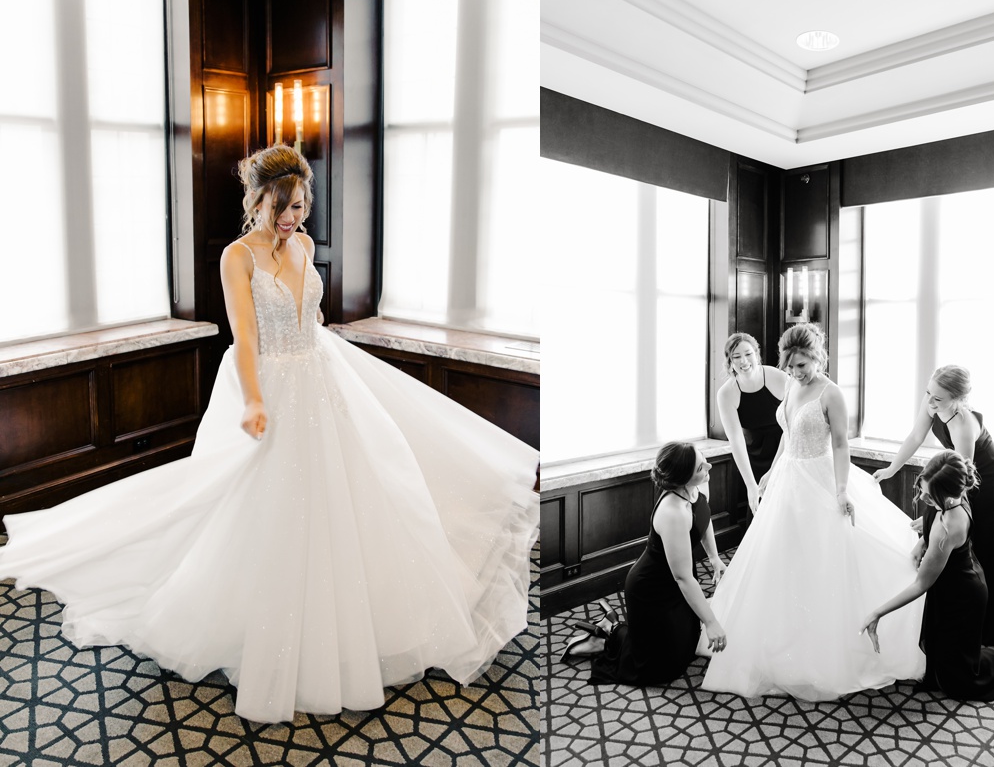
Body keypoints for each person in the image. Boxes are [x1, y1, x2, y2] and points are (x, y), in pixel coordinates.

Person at [0, 144, 539, 724]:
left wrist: (317, 339)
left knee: (352, 494)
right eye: (281, 206)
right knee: (269, 506)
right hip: (271, 386)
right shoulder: (239, 257)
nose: (291, 217)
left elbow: (313, 315)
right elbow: (246, 337)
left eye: (301, 206)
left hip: (322, 378)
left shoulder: (305, 244)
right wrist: (255, 400)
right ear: (255, 199)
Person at [699, 323, 925, 700]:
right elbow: (788, 435)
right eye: (791, 366)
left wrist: (839, 490)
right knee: (783, 560)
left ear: (818, 357)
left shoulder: (831, 393)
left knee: (825, 560)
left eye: (803, 365)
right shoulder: (789, 386)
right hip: (789, 479)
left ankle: (828, 646)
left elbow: (840, 444)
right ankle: (783, 636)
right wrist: (771, 472)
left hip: (821, 479)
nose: (796, 372)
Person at [861, 450, 994, 704]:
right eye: (923, 489)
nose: (923, 497)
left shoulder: (949, 527)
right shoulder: (955, 497)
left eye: (929, 495)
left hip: (962, 598)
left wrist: (877, 613)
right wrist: (924, 538)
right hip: (955, 586)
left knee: (965, 682)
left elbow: (921, 584)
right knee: (946, 668)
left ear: (946, 494)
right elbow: (934, 523)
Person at [561, 442, 727, 685]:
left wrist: (714, 558)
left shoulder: (696, 485)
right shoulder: (673, 513)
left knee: (687, 649)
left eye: (704, 459)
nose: (709, 466)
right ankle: (611, 633)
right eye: (702, 466)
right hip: (653, 589)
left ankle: (615, 629)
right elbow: (682, 578)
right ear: (682, 478)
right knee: (662, 669)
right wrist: (711, 622)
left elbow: (704, 517)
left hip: (678, 579)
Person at [873, 365, 994, 643]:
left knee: (981, 544)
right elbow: (915, 436)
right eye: (928, 394)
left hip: (985, 477)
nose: (931, 402)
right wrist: (891, 469)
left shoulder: (963, 424)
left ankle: (990, 633)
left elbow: (960, 486)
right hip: (958, 479)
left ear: (958, 400)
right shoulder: (932, 398)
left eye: (938, 399)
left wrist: (930, 524)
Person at [716, 333, 786, 514]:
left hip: (785, 449)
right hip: (754, 458)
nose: (744, 361)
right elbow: (736, 440)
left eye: (748, 354)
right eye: (736, 357)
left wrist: (774, 469)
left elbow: (792, 426)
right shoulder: (726, 393)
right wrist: (750, 485)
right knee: (759, 510)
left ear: (757, 354)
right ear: (729, 361)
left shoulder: (778, 377)